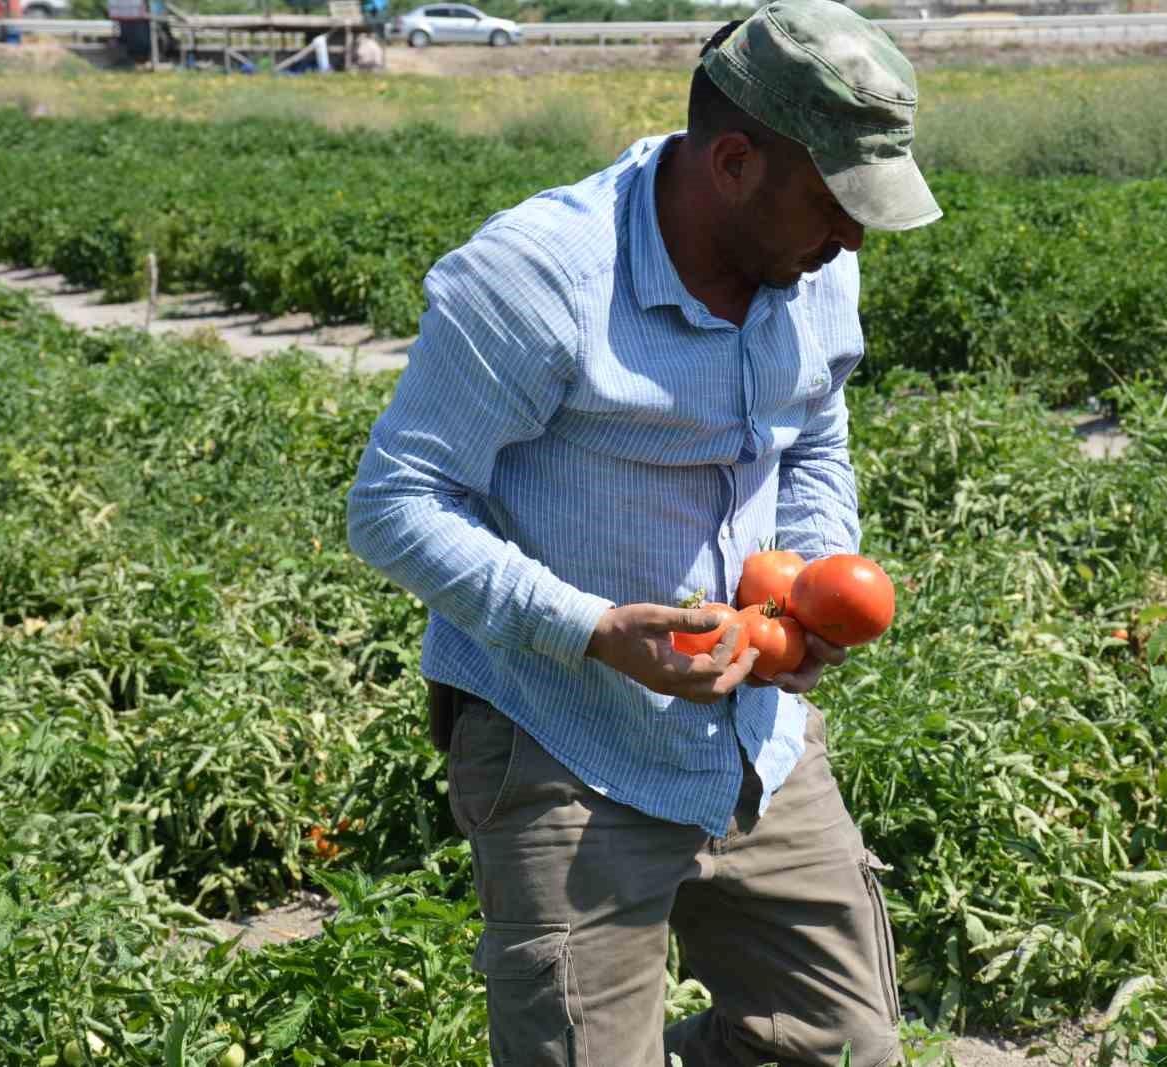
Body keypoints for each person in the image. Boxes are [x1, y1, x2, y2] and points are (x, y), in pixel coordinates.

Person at [345, 3, 941, 1064]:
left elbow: (812, 438)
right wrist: (590, 628)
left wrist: (806, 581)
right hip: (567, 735)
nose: (852, 236)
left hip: (755, 737)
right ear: (733, 162)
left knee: (838, 1044)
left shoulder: (811, 267)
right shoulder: (537, 278)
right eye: (834, 202)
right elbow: (396, 502)